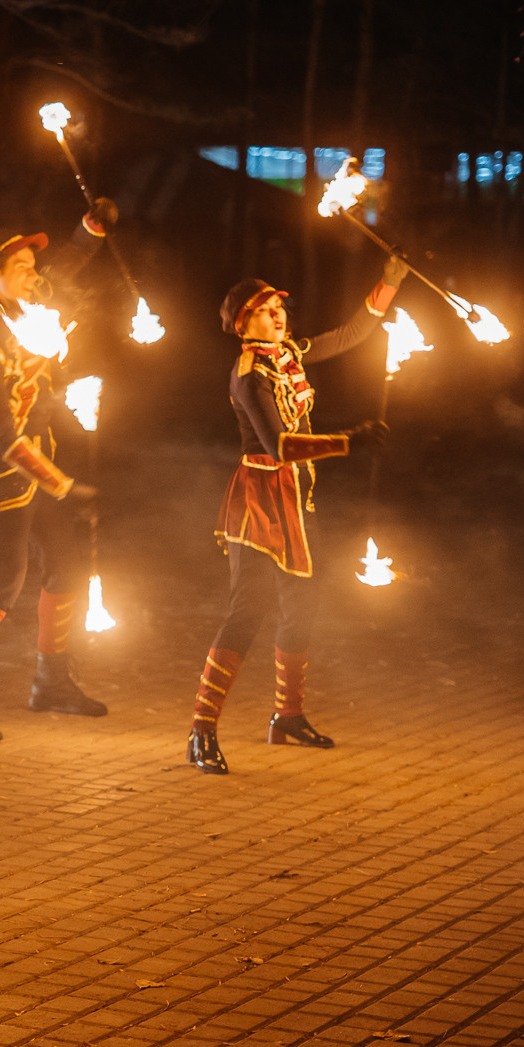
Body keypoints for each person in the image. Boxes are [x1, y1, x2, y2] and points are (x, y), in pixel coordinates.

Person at [185, 258, 407, 774]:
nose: (277, 315)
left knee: (300, 607)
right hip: (258, 501)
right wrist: (348, 442)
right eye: (262, 312)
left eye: (278, 306)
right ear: (242, 326)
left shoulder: (289, 353)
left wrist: (390, 282)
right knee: (248, 611)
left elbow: (351, 333)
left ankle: (287, 717)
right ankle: (201, 730)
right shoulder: (248, 374)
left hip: (297, 501)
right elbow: (280, 445)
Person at [0, 212, 114, 744]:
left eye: (35, 264)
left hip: (43, 467)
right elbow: (4, 441)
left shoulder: (34, 314)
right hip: (6, 472)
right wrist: (63, 485)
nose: (35, 274)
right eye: (22, 265)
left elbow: (70, 266)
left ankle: (51, 683)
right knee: (1, 583)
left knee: (69, 569)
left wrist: (91, 230)